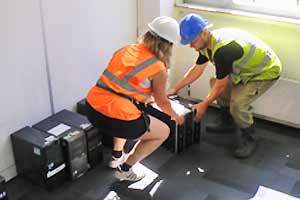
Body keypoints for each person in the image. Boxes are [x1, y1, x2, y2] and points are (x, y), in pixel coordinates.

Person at [85, 16, 185, 181]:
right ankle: (125, 169)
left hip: (92, 108)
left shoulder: (126, 49)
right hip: (116, 119)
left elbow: (123, 83)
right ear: (168, 45)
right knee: (163, 132)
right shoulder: (158, 67)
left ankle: (117, 156)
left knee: (127, 109)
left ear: (148, 34)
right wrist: (176, 116)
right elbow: (161, 101)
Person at [168, 13, 281, 158]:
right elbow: (197, 70)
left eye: (192, 41)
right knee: (214, 82)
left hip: (264, 72)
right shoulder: (206, 44)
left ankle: (249, 138)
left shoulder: (223, 50)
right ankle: (227, 121)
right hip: (245, 71)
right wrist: (175, 88)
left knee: (238, 104)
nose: (190, 46)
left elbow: (222, 85)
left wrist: (204, 104)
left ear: (204, 33)